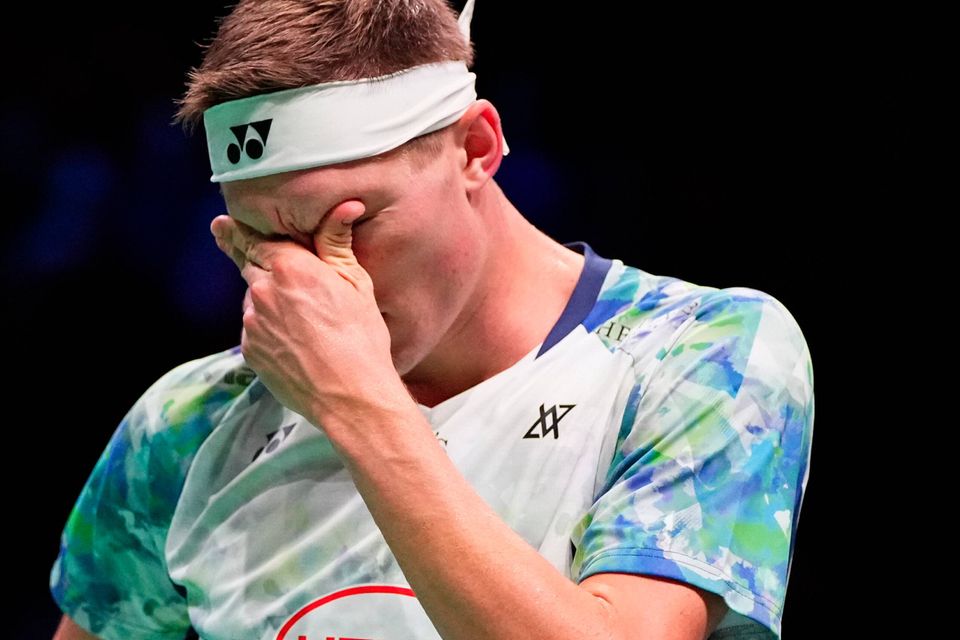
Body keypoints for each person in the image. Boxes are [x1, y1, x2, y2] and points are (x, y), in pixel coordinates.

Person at [49, 1, 815, 639]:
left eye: (349, 224)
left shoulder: (700, 355)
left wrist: (358, 400)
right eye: (264, 242)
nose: (315, 284)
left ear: (476, 147)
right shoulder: (188, 424)